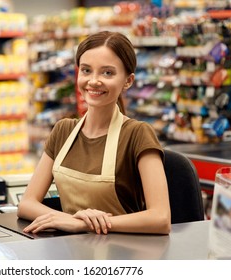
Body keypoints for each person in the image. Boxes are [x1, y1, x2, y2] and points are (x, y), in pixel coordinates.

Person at [17, 31, 171, 235]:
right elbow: (26, 204)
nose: (94, 81)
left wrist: (86, 224)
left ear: (128, 81)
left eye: (107, 73)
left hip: (124, 253)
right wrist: (68, 219)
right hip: (70, 249)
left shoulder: (137, 134)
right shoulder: (63, 130)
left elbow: (160, 218)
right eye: (86, 70)